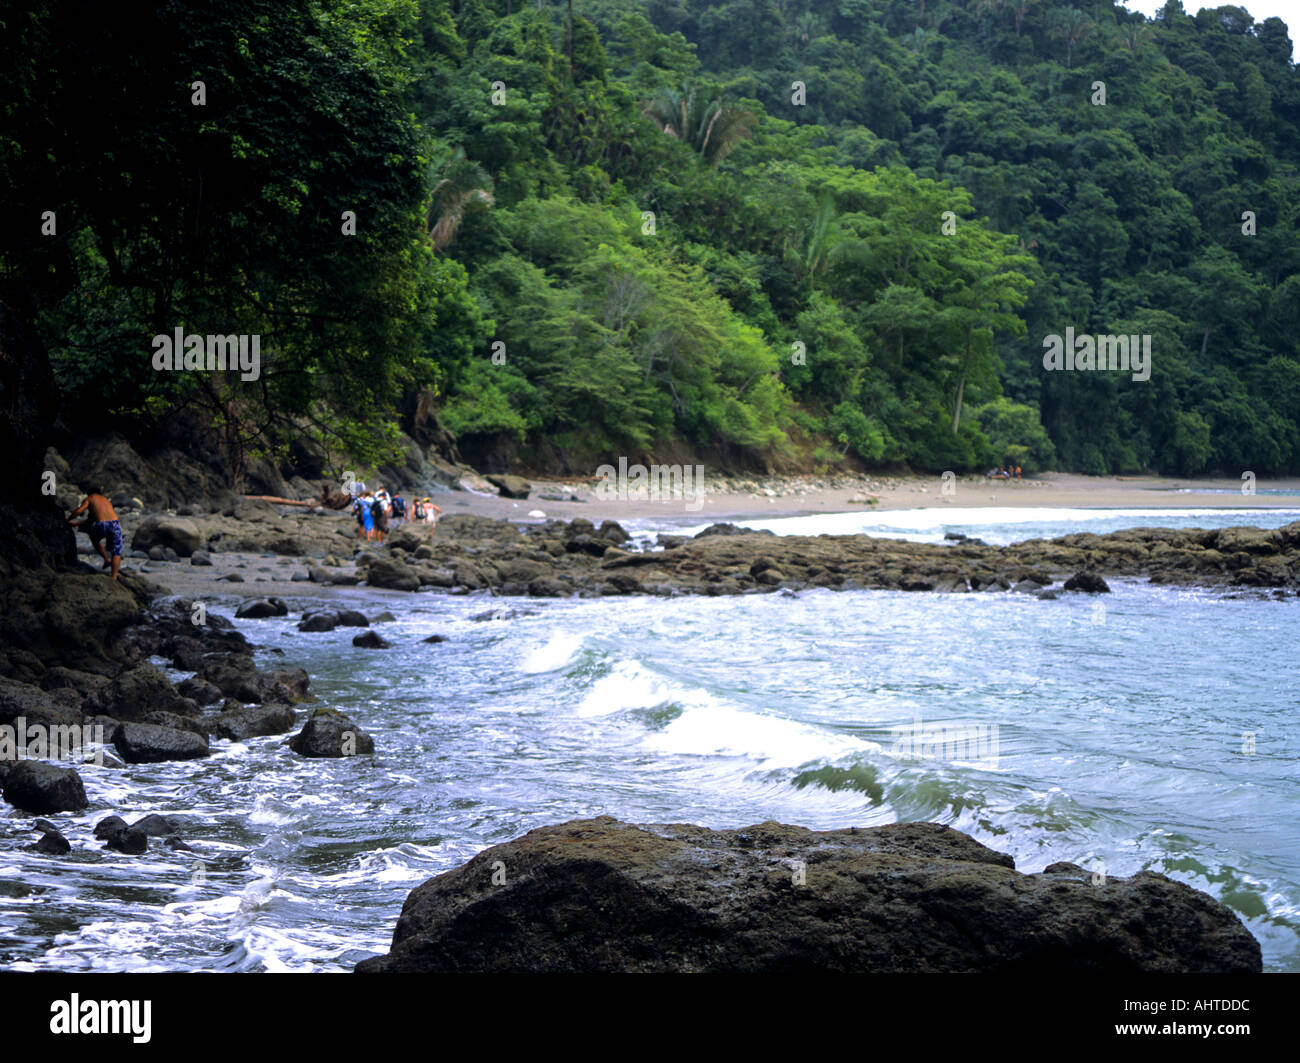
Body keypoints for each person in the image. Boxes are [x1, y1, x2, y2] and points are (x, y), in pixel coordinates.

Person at [66, 485, 122, 580]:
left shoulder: (90, 498)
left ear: (89, 493)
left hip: (102, 525)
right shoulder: (105, 500)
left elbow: (79, 511)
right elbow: (91, 520)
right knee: (116, 550)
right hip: (115, 524)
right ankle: (114, 577)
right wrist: (76, 523)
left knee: (94, 538)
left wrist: (68, 519)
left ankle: (106, 559)